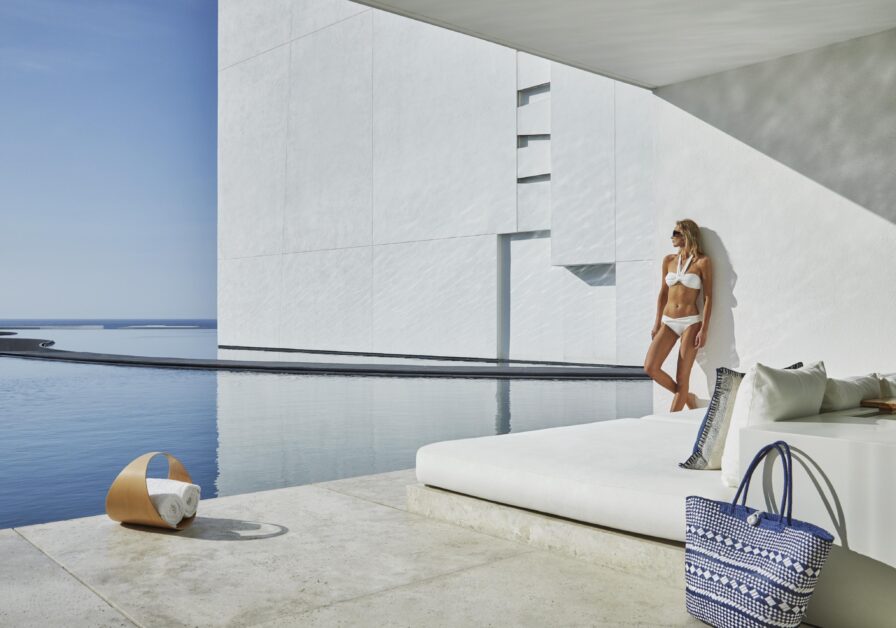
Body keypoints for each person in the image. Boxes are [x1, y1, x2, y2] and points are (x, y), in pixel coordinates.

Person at [644, 219, 713, 412]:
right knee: (650, 367)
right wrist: (657, 323)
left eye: (676, 233)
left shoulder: (703, 262)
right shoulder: (668, 261)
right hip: (668, 321)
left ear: (687, 235)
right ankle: (686, 396)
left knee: (683, 378)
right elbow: (663, 294)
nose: (672, 237)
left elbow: (708, 297)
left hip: (691, 322)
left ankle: (669, 420)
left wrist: (704, 329)